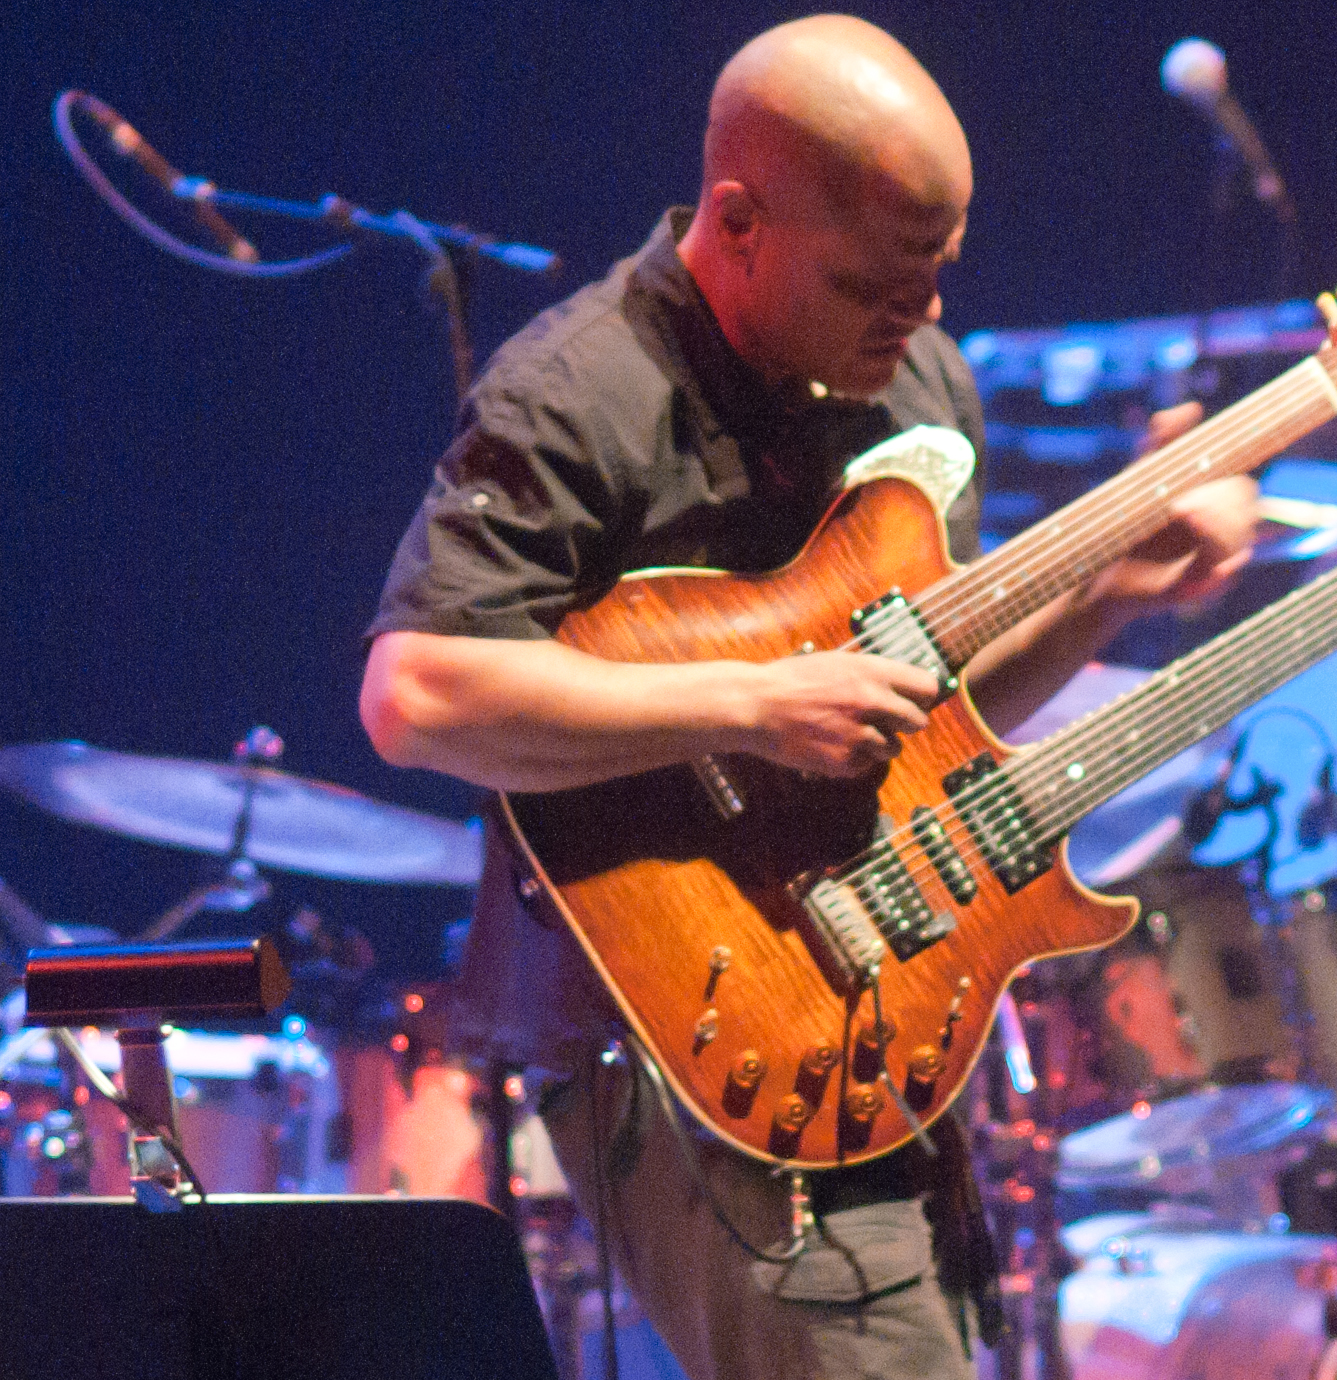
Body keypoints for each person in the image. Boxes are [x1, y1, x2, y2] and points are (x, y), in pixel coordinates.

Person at [357, 16, 1256, 1380]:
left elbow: (923, 713)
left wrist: (1111, 594)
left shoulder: (915, 384)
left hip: (867, 980)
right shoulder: (576, 392)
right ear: (738, 218)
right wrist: (749, 702)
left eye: (938, 280)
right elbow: (416, 694)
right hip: (661, 1027)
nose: (922, 323)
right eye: (875, 286)